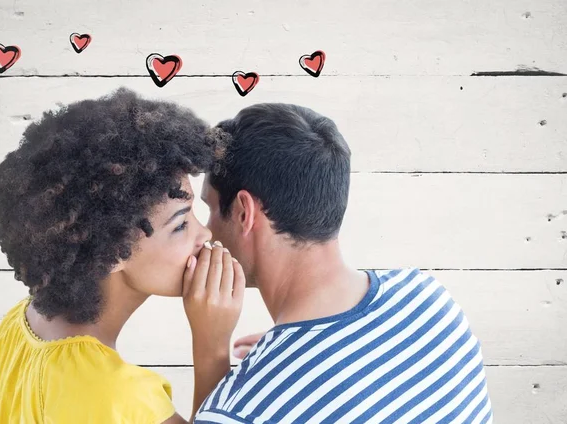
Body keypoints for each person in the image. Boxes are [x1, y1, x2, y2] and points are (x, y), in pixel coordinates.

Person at [195, 103, 493, 423]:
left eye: (210, 209)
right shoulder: (429, 299)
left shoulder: (243, 407)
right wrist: (293, 353)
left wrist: (211, 349)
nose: (204, 231)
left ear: (244, 213)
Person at [0, 88, 245, 423]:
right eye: (180, 224)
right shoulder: (123, 398)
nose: (204, 233)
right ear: (111, 253)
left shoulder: (18, 324)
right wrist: (212, 345)